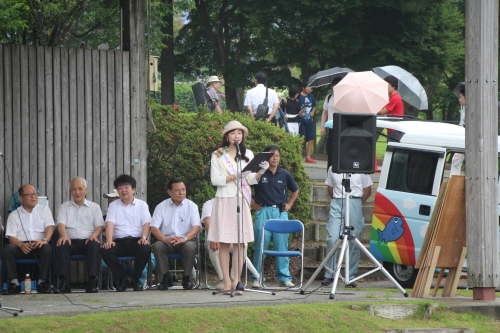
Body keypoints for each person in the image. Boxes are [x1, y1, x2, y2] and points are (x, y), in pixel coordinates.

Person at [208, 120, 267, 294]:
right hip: (225, 199)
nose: (237, 136)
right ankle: (226, 281)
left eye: (239, 133)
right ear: (227, 136)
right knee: (225, 243)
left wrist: (261, 171)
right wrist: (234, 176)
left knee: (240, 244)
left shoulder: (248, 153)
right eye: (233, 133)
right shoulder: (218, 155)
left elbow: (250, 180)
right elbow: (215, 179)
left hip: (241, 200)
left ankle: (237, 281)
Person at [251, 145, 299, 288]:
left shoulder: (284, 174)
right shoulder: (259, 173)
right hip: (263, 211)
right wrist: (252, 202)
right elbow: (245, 186)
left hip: (279, 212)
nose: (275, 158)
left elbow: (295, 190)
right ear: (266, 157)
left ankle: (284, 278)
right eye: (272, 155)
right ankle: (257, 277)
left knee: (282, 246)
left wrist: (289, 204)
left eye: (277, 155)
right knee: (261, 245)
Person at [321, 168, 372, 288]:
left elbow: (368, 190)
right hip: (337, 202)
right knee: (332, 238)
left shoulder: (361, 168)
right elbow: (330, 187)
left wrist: (357, 203)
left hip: (354, 201)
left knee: (353, 240)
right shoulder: (334, 167)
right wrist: (337, 199)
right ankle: (330, 274)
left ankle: (350, 276)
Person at [100, 174, 152, 292]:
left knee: (145, 248)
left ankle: (136, 278)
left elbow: (147, 224)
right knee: (105, 250)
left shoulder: (142, 205)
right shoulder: (113, 206)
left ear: (134, 189)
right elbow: (109, 224)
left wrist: (144, 237)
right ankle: (121, 278)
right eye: (120, 187)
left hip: (136, 240)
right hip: (119, 242)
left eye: (126, 187)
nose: (123, 190)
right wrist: (109, 241)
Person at [54, 177, 104, 294]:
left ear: (86, 190)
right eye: (74, 189)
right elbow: (60, 223)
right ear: (71, 191)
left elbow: (100, 226)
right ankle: (64, 282)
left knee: (94, 245)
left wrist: (94, 236)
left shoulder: (94, 207)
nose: (77, 192)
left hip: (87, 241)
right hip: (70, 240)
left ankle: (92, 282)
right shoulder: (64, 207)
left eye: (80, 189)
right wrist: (64, 235)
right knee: (62, 244)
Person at [2, 184, 55, 295]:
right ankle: (14, 283)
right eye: (29, 194)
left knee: (48, 249)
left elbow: (50, 227)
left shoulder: (44, 210)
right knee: (7, 249)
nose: (33, 197)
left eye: (35, 193)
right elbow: (11, 237)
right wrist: (21, 245)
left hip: (39, 244)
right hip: (20, 246)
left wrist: (44, 240)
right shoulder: (14, 215)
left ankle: (42, 283)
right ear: (21, 198)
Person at [151, 177, 201, 290]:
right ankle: (166, 278)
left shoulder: (192, 206)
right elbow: (153, 227)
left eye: (183, 189)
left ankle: (186, 278)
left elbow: (196, 227)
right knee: (158, 245)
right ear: (169, 192)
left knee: (190, 247)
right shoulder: (161, 206)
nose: (181, 192)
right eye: (177, 190)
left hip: (186, 240)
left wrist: (185, 238)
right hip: (167, 241)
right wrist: (165, 239)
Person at [201, 198, 248, 289]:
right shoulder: (209, 203)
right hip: (218, 237)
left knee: (242, 246)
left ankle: (235, 280)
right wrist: (214, 237)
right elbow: (208, 222)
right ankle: (224, 280)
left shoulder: (237, 203)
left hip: (234, 237)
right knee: (214, 247)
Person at [320, 77, 343, 170]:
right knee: (331, 151)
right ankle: (330, 172)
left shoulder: (344, 97)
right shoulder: (329, 97)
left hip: (342, 127)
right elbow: (325, 112)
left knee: (340, 151)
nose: (336, 87)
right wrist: (322, 126)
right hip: (331, 127)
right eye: (334, 85)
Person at [377, 75, 404, 141]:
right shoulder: (393, 97)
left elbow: (383, 112)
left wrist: (371, 109)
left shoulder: (395, 98)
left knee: (391, 149)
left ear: (393, 86)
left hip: (395, 129)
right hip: (393, 128)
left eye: (387, 85)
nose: (385, 87)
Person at [298, 81, 317, 163]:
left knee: (311, 138)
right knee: (302, 139)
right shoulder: (299, 96)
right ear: (303, 88)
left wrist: (313, 112)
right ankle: (298, 155)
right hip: (301, 121)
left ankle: (308, 157)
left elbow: (314, 106)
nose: (310, 89)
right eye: (308, 87)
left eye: (310, 87)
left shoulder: (311, 96)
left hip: (309, 120)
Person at [451, 88, 466, 176]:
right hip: (462, 136)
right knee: (455, 160)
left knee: (456, 160)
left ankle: (453, 180)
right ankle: (453, 179)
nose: (459, 99)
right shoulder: (463, 108)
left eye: (460, 97)